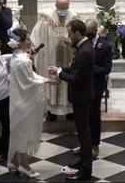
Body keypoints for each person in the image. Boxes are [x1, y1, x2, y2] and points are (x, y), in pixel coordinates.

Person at [7, 28, 58, 178]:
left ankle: (14, 162)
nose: (31, 42)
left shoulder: (16, 56)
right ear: (20, 42)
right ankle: (25, 166)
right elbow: (30, 81)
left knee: (18, 133)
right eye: (28, 39)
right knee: (23, 134)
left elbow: (29, 75)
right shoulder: (23, 61)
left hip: (17, 101)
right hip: (25, 103)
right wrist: (47, 80)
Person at [49, 19, 95, 181]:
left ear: (77, 33)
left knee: (84, 134)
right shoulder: (83, 47)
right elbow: (75, 69)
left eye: (70, 33)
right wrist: (60, 69)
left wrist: (60, 74)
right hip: (81, 96)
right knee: (82, 133)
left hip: (81, 97)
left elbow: (76, 78)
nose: (68, 36)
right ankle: (82, 162)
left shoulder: (85, 51)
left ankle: (85, 171)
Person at [31, 0, 80, 118]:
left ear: (69, 5)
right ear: (55, 4)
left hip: (68, 57)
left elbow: (80, 38)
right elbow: (36, 35)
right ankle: (51, 112)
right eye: (60, 7)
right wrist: (35, 48)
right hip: (50, 57)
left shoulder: (75, 18)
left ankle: (69, 111)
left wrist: (70, 41)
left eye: (65, 7)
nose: (62, 10)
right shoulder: (46, 18)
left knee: (68, 82)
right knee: (51, 81)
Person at [85, 19, 112, 157]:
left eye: (89, 34)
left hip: (96, 85)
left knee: (94, 115)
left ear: (95, 31)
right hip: (83, 85)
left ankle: (95, 144)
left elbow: (106, 69)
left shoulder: (105, 46)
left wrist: (91, 68)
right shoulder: (83, 43)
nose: (87, 36)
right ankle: (85, 144)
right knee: (84, 116)